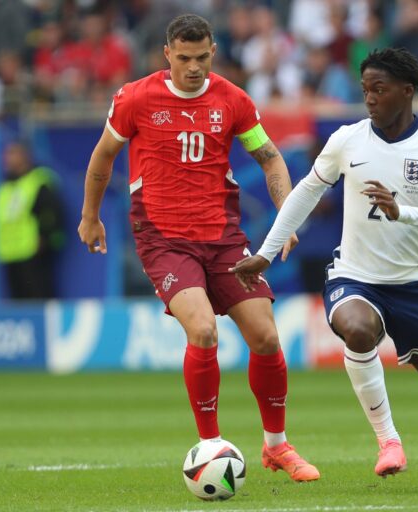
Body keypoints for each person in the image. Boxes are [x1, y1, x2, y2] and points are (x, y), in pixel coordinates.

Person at [231, 47, 418, 488]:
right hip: (354, 276)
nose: (371, 99)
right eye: (365, 90)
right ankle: (388, 441)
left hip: (411, 285)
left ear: (407, 91)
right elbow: (305, 192)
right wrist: (268, 249)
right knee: (356, 328)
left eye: (380, 90)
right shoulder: (347, 140)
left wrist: (405, 213)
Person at [76, 14, 319, 483]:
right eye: (184, 58)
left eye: (202, 58)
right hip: (164, 239)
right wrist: (90, 215)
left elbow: (269, 158)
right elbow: (103, 156)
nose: (194, 67)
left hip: (224, 237)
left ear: (213, 52)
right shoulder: (136, 97)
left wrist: (286, 216)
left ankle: (277, 447)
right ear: (167, 54)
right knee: (203, 329)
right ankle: (210, 443)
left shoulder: (233, 100)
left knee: (266, 338)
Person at [0, 141, 65, 300]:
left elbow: (51, 213)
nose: (8, 159)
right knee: (18, 302)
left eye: (13, 154)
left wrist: (44, 237)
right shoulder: (5, 186)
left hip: (32, 251)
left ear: (25, 156)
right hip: (9, 253)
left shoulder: (38, 181)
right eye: (7, 155)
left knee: (38, 297)